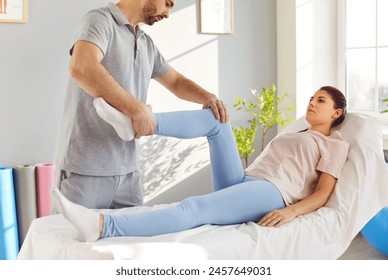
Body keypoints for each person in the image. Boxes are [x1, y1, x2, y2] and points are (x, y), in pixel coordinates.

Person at [53, 86, 349, 242]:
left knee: (193, 207)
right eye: (312, 98)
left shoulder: (334, 144)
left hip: (273, 192)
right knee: (217, 122)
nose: (311, 102)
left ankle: (103, 226)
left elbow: (323, 194)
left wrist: (289, 212)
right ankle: (141, 125)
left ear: (336, 113)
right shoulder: (295, 133)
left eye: (320, 100)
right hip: (246, 180)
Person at [54, 0, 228, 209]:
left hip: (128, 172)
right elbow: (82, 67)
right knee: (71, 240)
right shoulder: (100, 21)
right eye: (167, 3)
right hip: (86, 169)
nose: (168, 13)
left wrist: (208, 97)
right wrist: (137, 109)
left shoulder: (145, 43)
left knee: (131, 240)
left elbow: (176, 82)